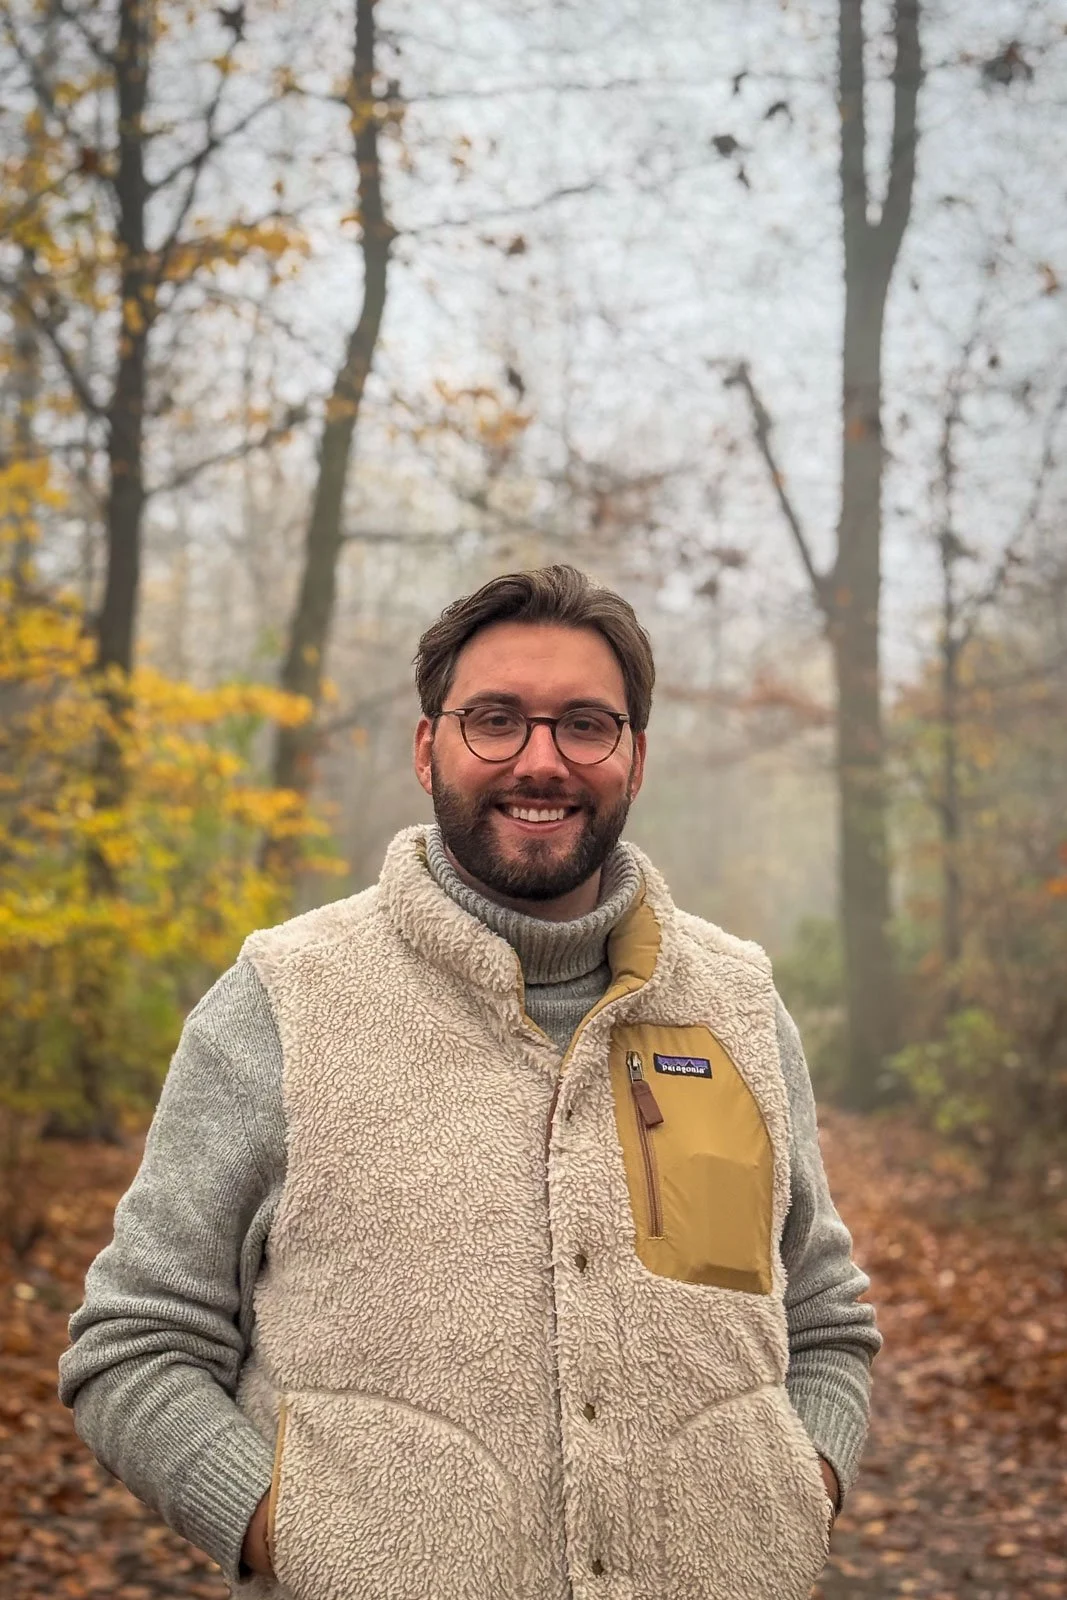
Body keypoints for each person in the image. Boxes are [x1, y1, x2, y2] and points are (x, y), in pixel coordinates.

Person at [59, 565, 881, 1600]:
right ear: (425, 747)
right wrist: (291, 1536)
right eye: (495, 719)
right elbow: (132, 1346)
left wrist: (793, 1495)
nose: (540, 760)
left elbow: (825, 1319)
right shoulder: (282, 1001)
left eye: (585, 724)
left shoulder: (739, 1003)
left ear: (635, 757)